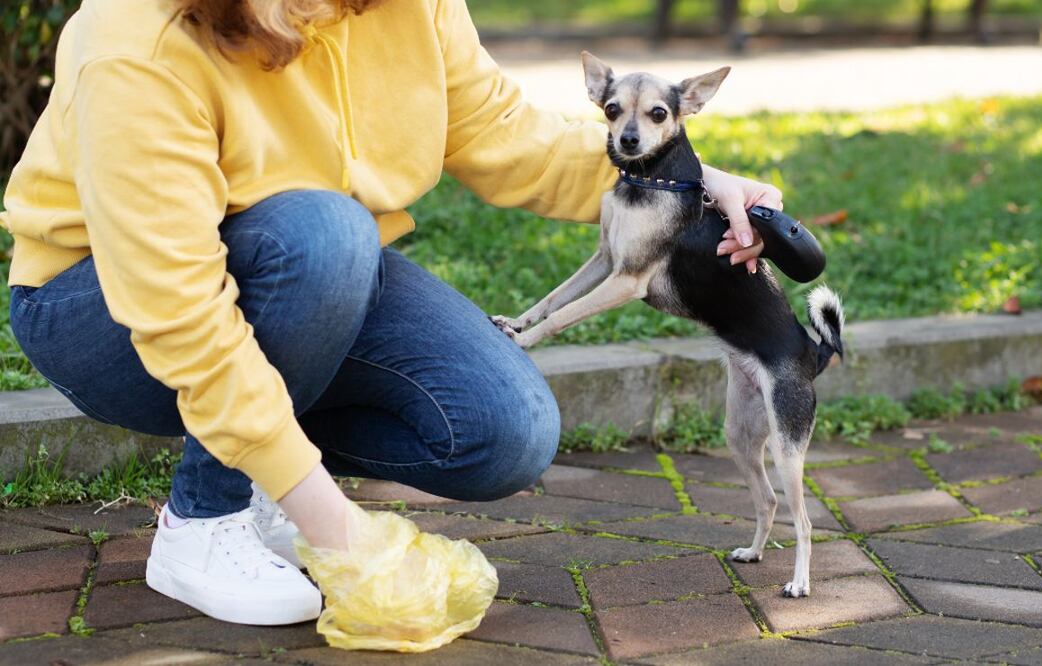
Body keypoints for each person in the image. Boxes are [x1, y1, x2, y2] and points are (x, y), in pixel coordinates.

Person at [1, 0, 780, 626]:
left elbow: (498, 131)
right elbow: (174, 304)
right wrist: (344, 534)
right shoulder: (135, 33)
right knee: (329, 231)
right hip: (98, 306)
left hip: (311, 275)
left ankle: (274, 479)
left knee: (506, 430)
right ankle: (207, 519)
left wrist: (696, 182)